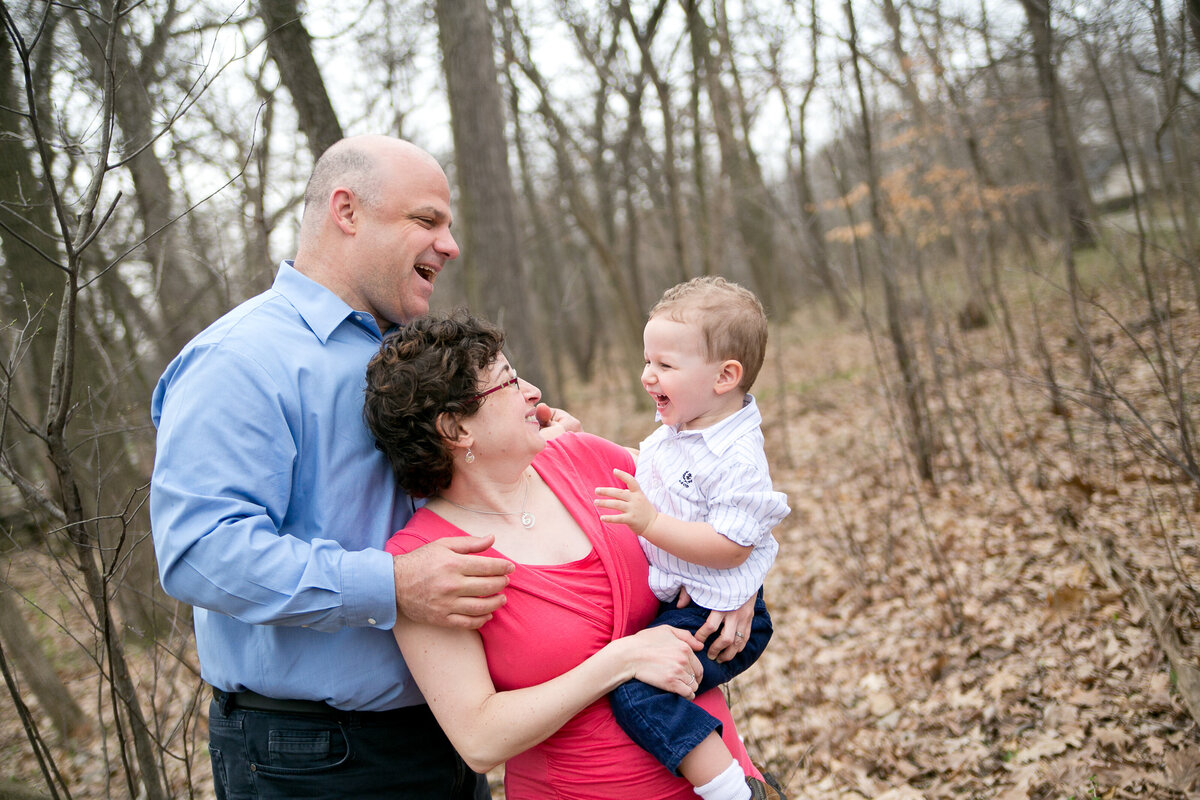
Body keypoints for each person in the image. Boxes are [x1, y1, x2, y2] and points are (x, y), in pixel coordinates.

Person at [150, 135, 574, 799]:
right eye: (427, 220)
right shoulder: (240, 360)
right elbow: (199, 551)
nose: (450, 245)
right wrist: (388, 584)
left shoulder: (417, 357)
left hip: (456, 731)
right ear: (346, 212)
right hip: (315, 756)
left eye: (449, 225)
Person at [364, 311, 778, 800]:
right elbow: (478, 738)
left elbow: (734, 510)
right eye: (509, 382)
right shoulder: (423, 564)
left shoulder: (590, 459)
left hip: (728, 783)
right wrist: (618, 662)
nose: (534, 392)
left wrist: (742, 586)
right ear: (456, 429)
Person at [593, 276, 790, 800]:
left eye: (664, 365)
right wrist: (578, 437)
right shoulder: (686, 428)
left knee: (638, 693)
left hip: (716, 613)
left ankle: (735, 792)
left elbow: (733, 546)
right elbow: (654, 473)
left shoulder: (736, 457)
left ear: (725, 376)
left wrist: (650, 525)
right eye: (647, 360)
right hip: (693, 598)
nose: (646, 376)